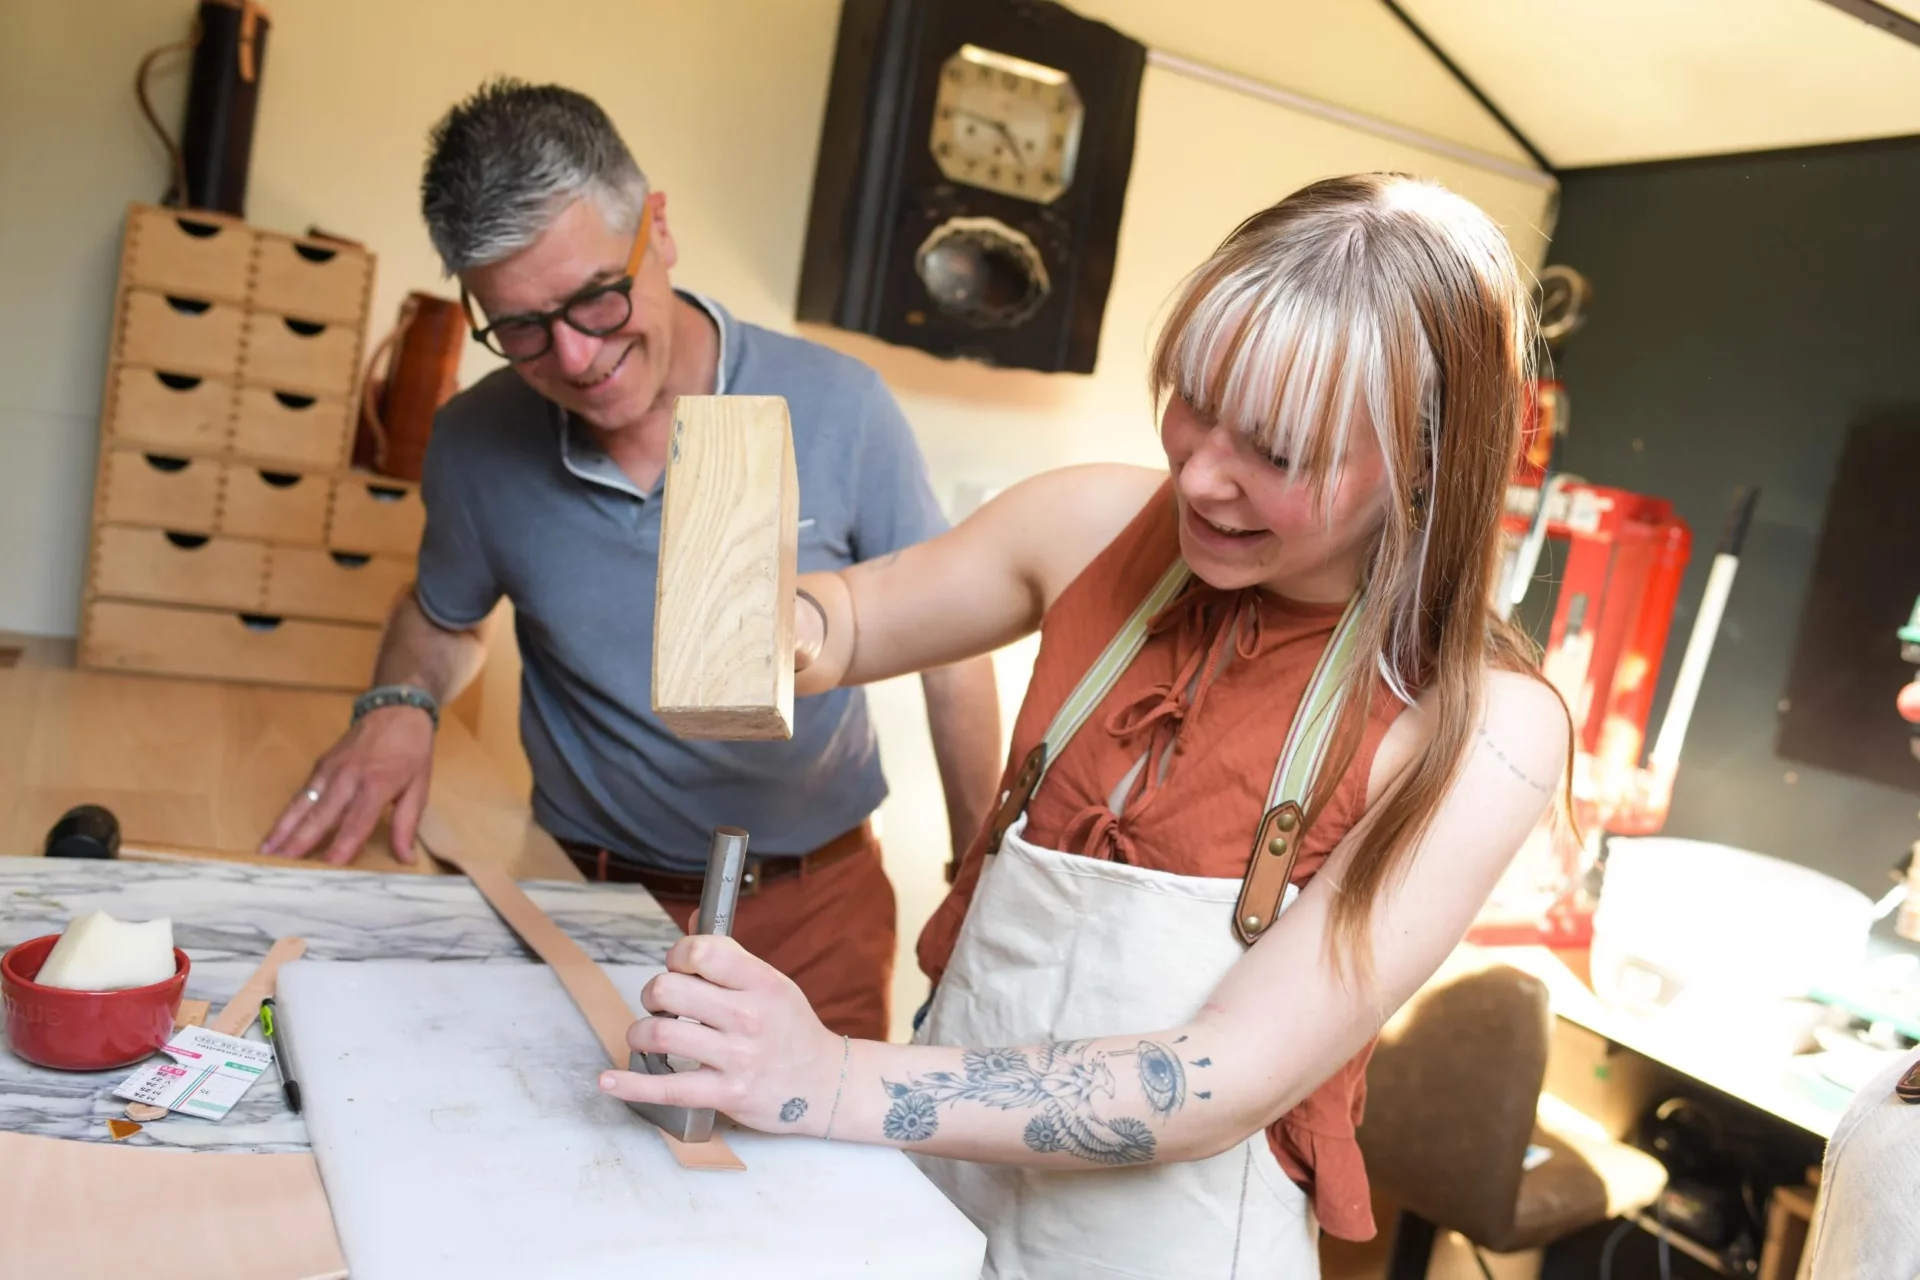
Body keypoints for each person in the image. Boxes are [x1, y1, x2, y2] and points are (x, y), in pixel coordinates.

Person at [597, 172, 1574, 1276]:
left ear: (1426, 458)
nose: (1200, 476)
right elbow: (859, 617)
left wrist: (826, 1077)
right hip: (938, 1199)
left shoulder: (1481, 727)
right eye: (1195, 399)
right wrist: (771, 624)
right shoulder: (1091, 522)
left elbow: (1219, 1078)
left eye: (1277, 451)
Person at [258, 79, 1004, 1043]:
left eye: (597, 300)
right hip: (582, 898)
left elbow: (953, 655)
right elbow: (444, 616)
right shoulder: (476, 441)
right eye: (521, 329)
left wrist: (978, 870)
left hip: (814, 908)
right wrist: (400, 703)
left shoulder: (842, 405)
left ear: (659, 227)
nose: (574, 358)